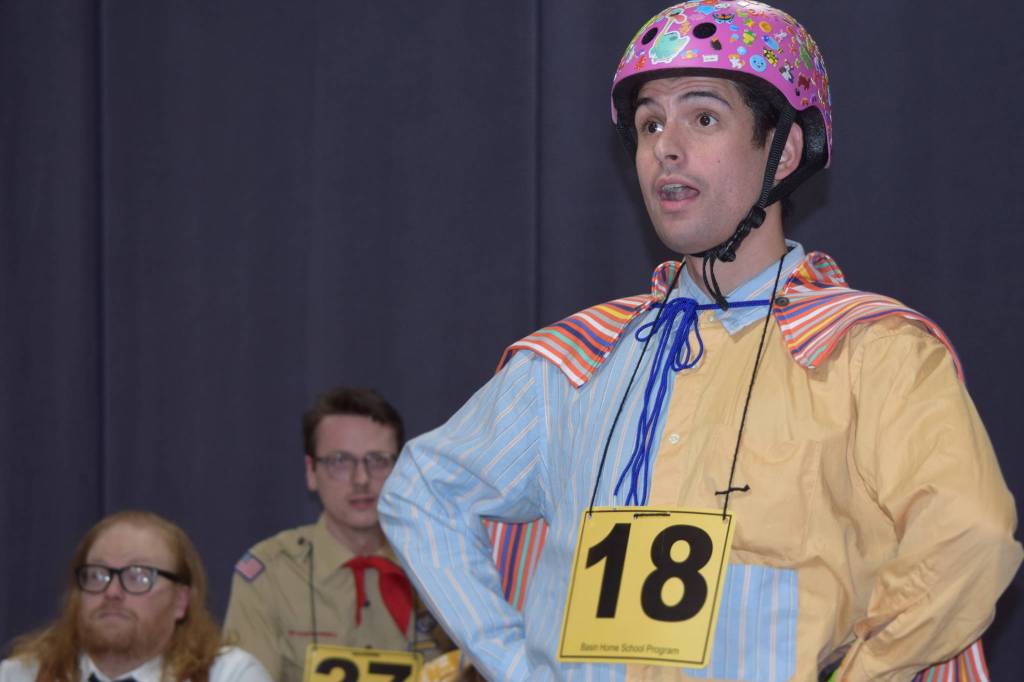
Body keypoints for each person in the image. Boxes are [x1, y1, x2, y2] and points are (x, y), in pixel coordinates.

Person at [378, 2, 1022, 681]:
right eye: (650, 122)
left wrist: (864, 672)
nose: (665, 146)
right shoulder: (577, 359)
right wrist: (515, 662)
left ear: (785, 153)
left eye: (703, 117)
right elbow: (422, 491)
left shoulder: (871, 352)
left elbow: (969, 537)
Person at [224, 387, 448, 682]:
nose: (361, 479)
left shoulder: (444, 567)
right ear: (311, 472)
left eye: (378, 460)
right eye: (340, 461)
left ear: (401, 468)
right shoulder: (270, 574)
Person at [0, 510, 270, 682]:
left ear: (181, 601)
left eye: (138, 577)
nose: (112, 592)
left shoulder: (228, 675)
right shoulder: (21, 675)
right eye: (96, 575)